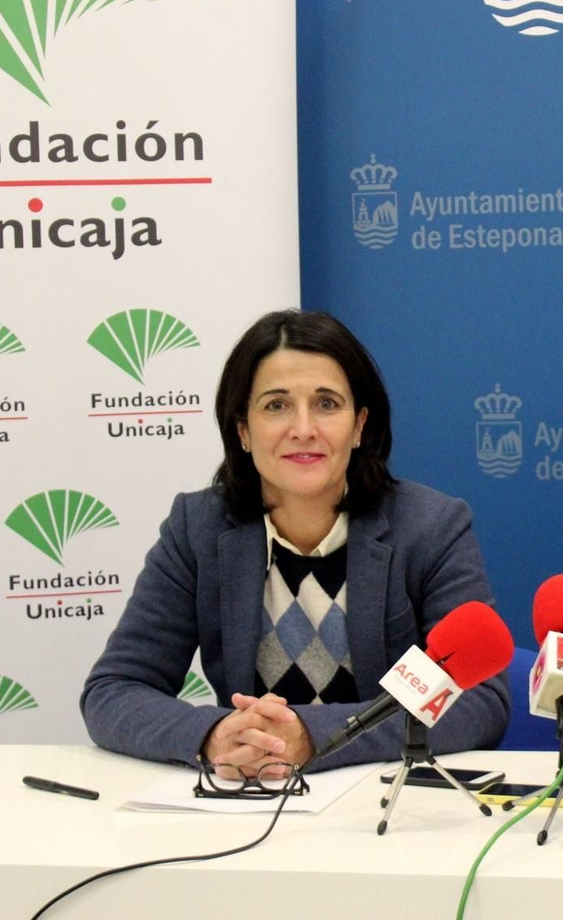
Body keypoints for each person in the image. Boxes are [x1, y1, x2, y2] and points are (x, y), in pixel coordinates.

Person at [82, 309, 509, 775]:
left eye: (326, 404)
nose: (303, 428)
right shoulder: (198, 528)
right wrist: (214, 735)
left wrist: (311, 735)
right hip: (249, 802)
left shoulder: (430, 527)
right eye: (276, 406)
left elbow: (480, 701)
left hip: (384, 809)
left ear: (360, 425)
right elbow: (114, 690)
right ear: (243, 430)